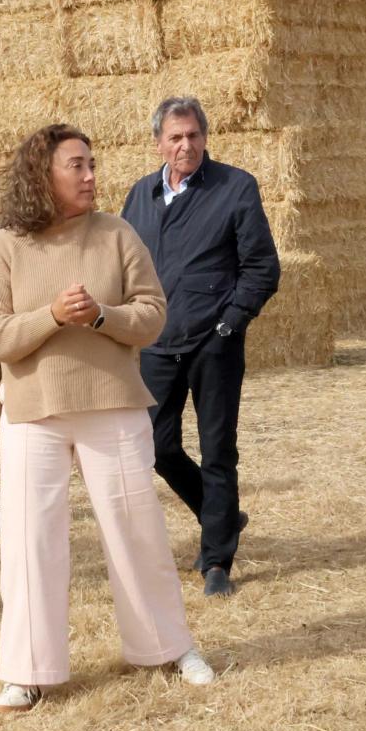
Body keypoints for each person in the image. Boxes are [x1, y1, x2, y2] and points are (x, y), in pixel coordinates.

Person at [0, 123, 214, 713]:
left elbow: (153, 315)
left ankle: (168, 646)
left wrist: (102, 315)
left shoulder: (117, 233)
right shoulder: (5, 246)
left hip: (113, 404)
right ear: (43, 176)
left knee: (138, 531)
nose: (90, 176)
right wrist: (53, 315)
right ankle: (28, 671)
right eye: (76, 165)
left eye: (91, 164)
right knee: (32, 542)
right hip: (32, 411)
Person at [120, 97, 281, 597]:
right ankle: (224, 515)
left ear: (205, 138)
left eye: (192, 135)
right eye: (175, 137)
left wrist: (230, 325)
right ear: (158, 143)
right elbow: (122, 266)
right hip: (155, 343)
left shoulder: (235, 187)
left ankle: (216, 561)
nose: (185, 145)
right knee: (156, 446)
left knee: (218, 451)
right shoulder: (139, 196)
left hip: (215, 343)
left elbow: (262, 268)